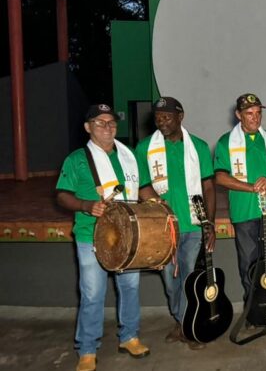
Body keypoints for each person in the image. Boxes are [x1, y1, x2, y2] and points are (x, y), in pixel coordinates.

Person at [56, 104, 149, 371]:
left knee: (130, 287)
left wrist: (157, 204)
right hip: (92, 235)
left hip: (128, 234)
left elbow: (141, 188)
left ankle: (129, 336)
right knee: (93, 293)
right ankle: (87, 349)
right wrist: (87, 205)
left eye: (111, 122)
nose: (107, 127)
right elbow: (62, 195)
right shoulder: (76, 159)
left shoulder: (128, 155)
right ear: (88, 127)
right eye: (100, 122)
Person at [135, 97, 216, 350]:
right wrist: (163, 210)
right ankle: (179, 317)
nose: (162, 121)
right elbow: (143, 187)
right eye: (158, 117)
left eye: (167, 116)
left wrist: (209, 223)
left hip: (192, 226)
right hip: (163, 227)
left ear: (180, 116)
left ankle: (188, 326)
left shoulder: (198, 147)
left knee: (189, 277)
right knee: (170, 280)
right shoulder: (145, 148)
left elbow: (208, 187)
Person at [214, 93, 266, 300]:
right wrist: (252, 187)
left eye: (258, 113)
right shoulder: (226, 142)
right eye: (249, 113)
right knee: (249, 263)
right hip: (244, 211)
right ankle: (253, 309)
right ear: (238, 115)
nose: (255, 118)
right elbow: (221, 177)